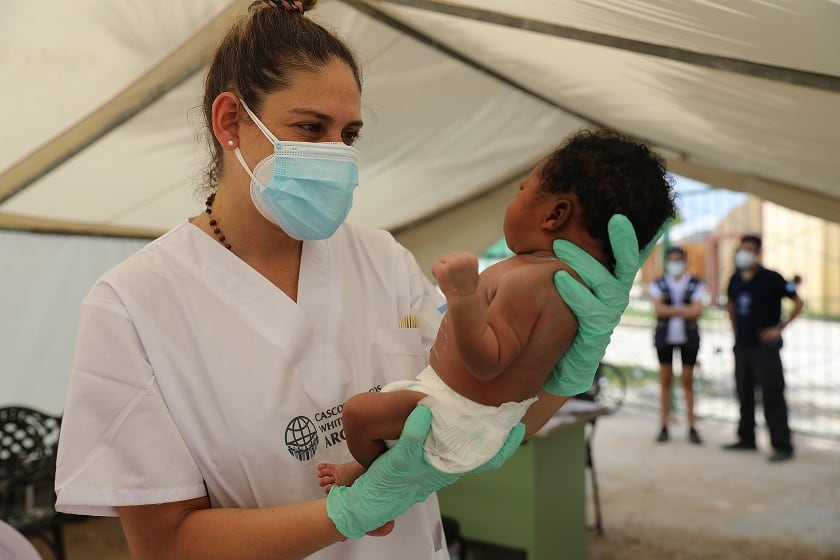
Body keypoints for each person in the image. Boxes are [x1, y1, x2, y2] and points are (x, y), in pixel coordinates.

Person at [52, 2, 663, 558]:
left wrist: (565, 369)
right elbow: (166, 546)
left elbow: (482, 422)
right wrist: (345, 514)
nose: (337, 154)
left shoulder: (381, 260)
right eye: (311, 128)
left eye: (349, 135)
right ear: (231, 121)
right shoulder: (132, 305)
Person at [317, 130, 676, 488]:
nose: (514, 199)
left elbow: (487, 362)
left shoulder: (529, 282)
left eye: (521, 189)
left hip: (452, 415)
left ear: (554, 214)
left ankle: (370, 482)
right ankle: (371, 478)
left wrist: (462, 297)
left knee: (358, 413)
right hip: (463, 413)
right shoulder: (560, 289)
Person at [724, 234, 804, 462]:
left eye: (749, 249)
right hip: (743, 346)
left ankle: (782, 445)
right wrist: (735, 331)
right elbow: (730, 303)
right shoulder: (735, 279)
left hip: (765, 347)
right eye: (741, 249)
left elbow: (798, 302)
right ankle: (746, 438)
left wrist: (780, 327)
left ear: (758, 252)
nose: (744, 253)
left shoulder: (771, 278)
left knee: (772, 393)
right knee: (744, 392)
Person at [649, 246, 705, 444]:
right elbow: (658, 310)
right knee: (665, 381)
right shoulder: (658, 283)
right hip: (665, 337)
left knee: (688, 381)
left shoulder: (695, 283)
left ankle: (692, 425)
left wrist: (670, 310)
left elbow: (697, 310)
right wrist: (684, 310)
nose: (675, 263)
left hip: (688, 337)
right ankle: (663, 424)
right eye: (671, 260)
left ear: (684, 261)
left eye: (678, 260)